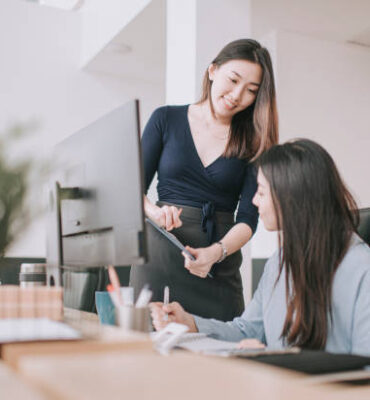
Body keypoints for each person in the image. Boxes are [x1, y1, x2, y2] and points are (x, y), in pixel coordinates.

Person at [150, 139, 370, 355]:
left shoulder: (362, 268)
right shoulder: (280, 261)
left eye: (262, 192)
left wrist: (274, 359)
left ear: (291, 198)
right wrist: (190, 323)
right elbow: (247, 331)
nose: (254, 201)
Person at [130, 39, 278, 321]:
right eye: (233, 80)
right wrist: (155, 212)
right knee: (150, 353)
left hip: (216, 268)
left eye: (250, 91)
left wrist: (217, 252)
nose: (237, 95)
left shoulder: (253, 142)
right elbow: (131, 189)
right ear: (212, 70)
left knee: (223, 354)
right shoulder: (165, 119)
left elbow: (248, 219)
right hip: (159, 260)